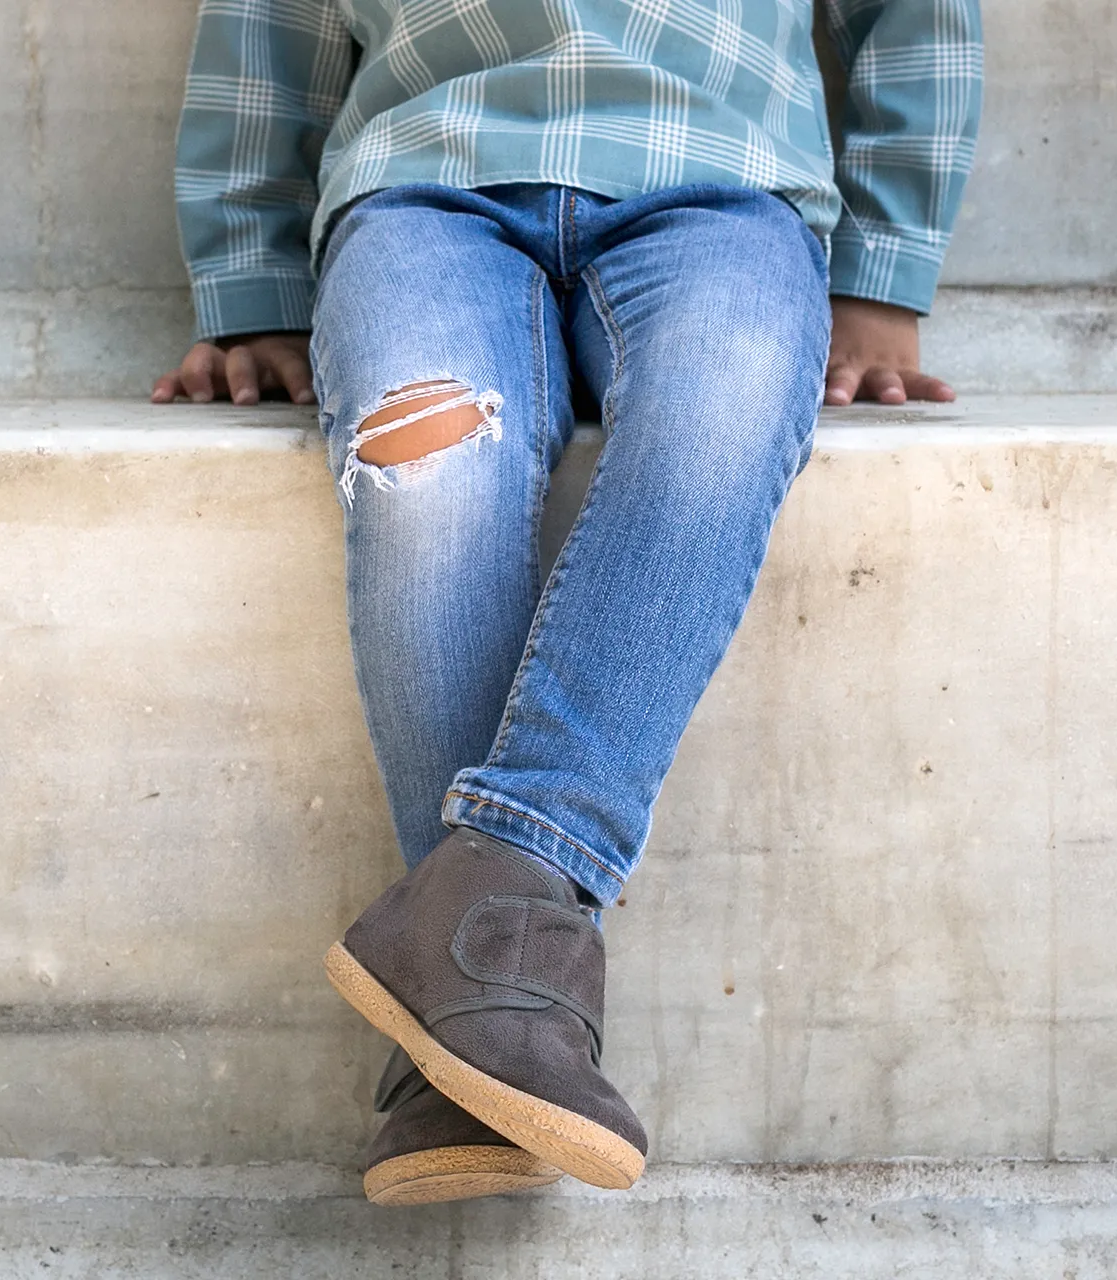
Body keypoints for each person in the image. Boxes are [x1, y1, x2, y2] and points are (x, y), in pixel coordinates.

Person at [156, 0, 983, 1206]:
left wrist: (885, 272)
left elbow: (916, 18)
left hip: (724, 190)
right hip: (424, 188)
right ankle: (494, 1000)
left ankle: (475, 958)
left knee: (718, 425)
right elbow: (264, 21)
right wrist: (251, 280)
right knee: (427, 477)